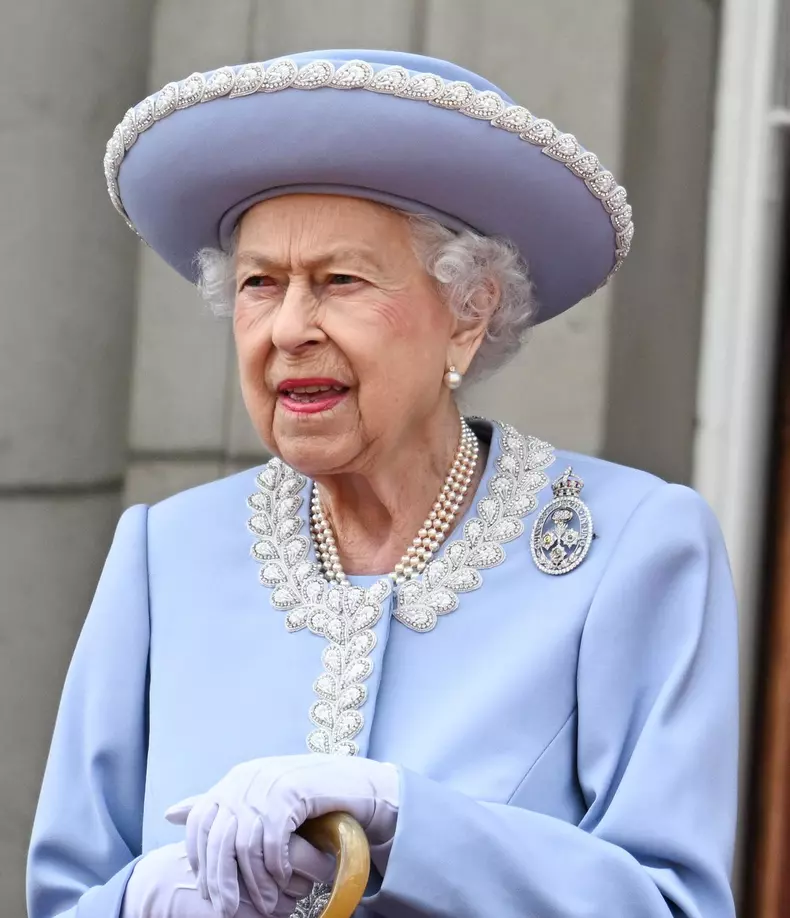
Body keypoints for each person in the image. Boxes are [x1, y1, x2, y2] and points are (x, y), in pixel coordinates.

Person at [27, 49, 738, 918]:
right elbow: (64, 900)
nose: (289, 328)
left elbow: (672, 906)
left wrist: (407, 824)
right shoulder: (163, 553)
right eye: (260, 284)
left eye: (340, 282)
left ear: (468, 315)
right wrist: (151, 896)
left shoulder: (632, 547)